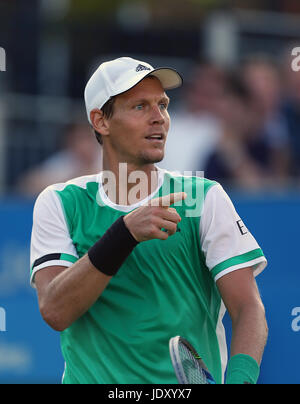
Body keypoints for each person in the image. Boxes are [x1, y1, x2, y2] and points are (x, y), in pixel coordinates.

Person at [30, 56, 268, 384]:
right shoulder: (59, 202)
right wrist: (125, 233)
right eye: (140, 107)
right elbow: (55, 310)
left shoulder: (203, 197)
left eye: (163, 104)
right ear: (100, 121)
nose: (159, 118)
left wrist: (241, 380)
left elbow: (249, 310)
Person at [17, 122, 102, 197]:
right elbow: (27, 184)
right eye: (79, 139)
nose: (84, 144)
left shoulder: (107, 157)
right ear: (69, 141)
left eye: (88, 138)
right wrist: (72, 181)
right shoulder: (64, 161)